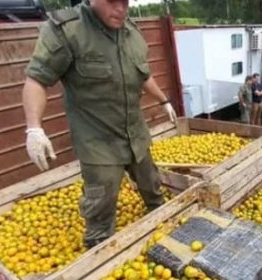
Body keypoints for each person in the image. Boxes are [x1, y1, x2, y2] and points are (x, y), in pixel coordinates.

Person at [22, 0, 177, 249]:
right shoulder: (68, 30)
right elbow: (37, 80)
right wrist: (34, 128)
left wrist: (164, 101)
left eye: (125, 2)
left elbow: (144, 75)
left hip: (135, 134)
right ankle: (99, 253)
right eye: (112, 1)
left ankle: (161, 221)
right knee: (101, 206)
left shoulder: (132, 33)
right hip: (98, 142)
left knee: (152, 185)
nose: (120, 9)